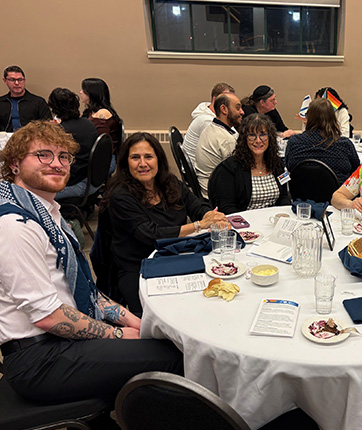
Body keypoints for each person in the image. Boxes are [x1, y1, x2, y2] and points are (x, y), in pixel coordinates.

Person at [0, 121, 183, 410]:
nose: (57, 164)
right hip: (39, 359)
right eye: (43, 155)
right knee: (175, 358)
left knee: (166, 335)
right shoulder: (15, 225)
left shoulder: (47, 214)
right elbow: (48, 317)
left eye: (63, 157)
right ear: (14, 164)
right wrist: (118, 334)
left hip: (59, 341)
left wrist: (138, 322)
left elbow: (85, 290)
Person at [103, 132, 227, 315]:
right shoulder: (120, 196)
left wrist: (211, 215)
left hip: (173, 255)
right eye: (135, 157)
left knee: (209, 299)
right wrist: (199, 225)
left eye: (148, 157)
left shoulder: (170, 183)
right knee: (165, 314)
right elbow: (150, 234)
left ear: (158, 160)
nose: (142, 163)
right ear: (125, 162)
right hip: (139, 266)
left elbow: (195, 205)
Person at [210, 114, 291, 214]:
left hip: (273, 219)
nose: (258, 140)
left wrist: (283, 215)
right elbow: (227, 207)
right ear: (244, 138)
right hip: (243, 220)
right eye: (252, 135)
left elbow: (284, 196)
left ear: (270, 138)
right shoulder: (230, 168)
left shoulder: (277, 163)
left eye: (263, 135)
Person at [285, 98, 360, 184]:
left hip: (300, 191)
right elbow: (357, 172)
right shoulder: (344, 144)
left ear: (308, 118)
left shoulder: (294, 142)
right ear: (333, 118)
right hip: (337, 191)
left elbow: (288, 167)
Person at [47, 88, 100, 200]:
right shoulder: (88, 123)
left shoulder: (62, 131)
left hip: (74, 181)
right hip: (89, 176)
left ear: (54, 108)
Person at [195, 93, 244, 195]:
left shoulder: (210, 128)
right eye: (237, 108)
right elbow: (238, 174)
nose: (242, 112)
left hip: (206, 186)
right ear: (224, 109)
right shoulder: (226, 140)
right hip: (216, 194)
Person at [182, 82, 235, 166]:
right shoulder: (206, 121)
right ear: (215, 100)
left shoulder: (211, 114)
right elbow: (228, 145)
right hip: (198, 169)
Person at [1, 65, 52, 132]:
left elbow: (48, 127)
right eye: (12, 80)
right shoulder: (1, 102)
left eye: (20, 80)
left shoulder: (38, 102)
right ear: (5, 81)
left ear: (24, 80)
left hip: (32, 137)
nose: (17, 83)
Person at [80, 77, 122, 155]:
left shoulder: (102, 114)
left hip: (105, 157)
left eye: (84, 90)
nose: (80, 92)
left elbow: (100, 142)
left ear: (92, 93)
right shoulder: (89, 112)